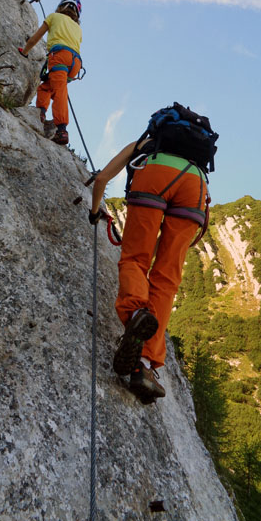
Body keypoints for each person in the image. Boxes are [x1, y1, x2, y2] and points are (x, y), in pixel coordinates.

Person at [89, 105, 216, 405]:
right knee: (166, 278)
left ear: (157, 128)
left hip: (155, 175)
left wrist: (95, 212)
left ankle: (135, 313)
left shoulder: (146, 145)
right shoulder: (197, 162)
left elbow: (102, 179)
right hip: (196, 187)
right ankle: (145, 364)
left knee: (135, 259)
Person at [19, 0, 82, 145]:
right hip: (76, 64)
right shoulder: (78, 28)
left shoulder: (54, 17)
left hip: (59, 56)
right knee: (46, 87)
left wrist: (25, 51)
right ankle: (40, 112)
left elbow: (35, 38)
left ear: (61, 7)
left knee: (59, 91)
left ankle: (62, 129)